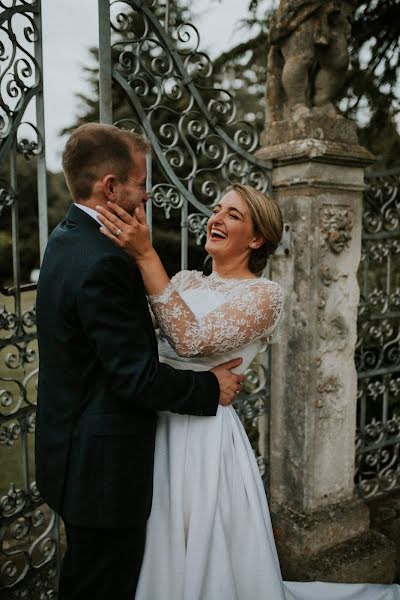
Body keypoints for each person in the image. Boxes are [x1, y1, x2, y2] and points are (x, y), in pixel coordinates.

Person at [97, 182, 400, 600]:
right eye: (217, 209)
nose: (216, 218)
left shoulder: (264, 295)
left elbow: (189, 340)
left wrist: (147, 255)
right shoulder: (183, 280)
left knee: (200, 543)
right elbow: (137, 343)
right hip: (154, 423)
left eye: (233, 215)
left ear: (257, 239)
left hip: (201, 438)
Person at [35, 123, 245, 600]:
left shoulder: (66, 238)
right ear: (111, 187)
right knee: (103, 584)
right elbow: (136, 377)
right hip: (103, 469)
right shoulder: (104, 261)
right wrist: (212, 387)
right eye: (141, 182)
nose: (146, 195)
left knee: (85, 577)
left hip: (71, 449)